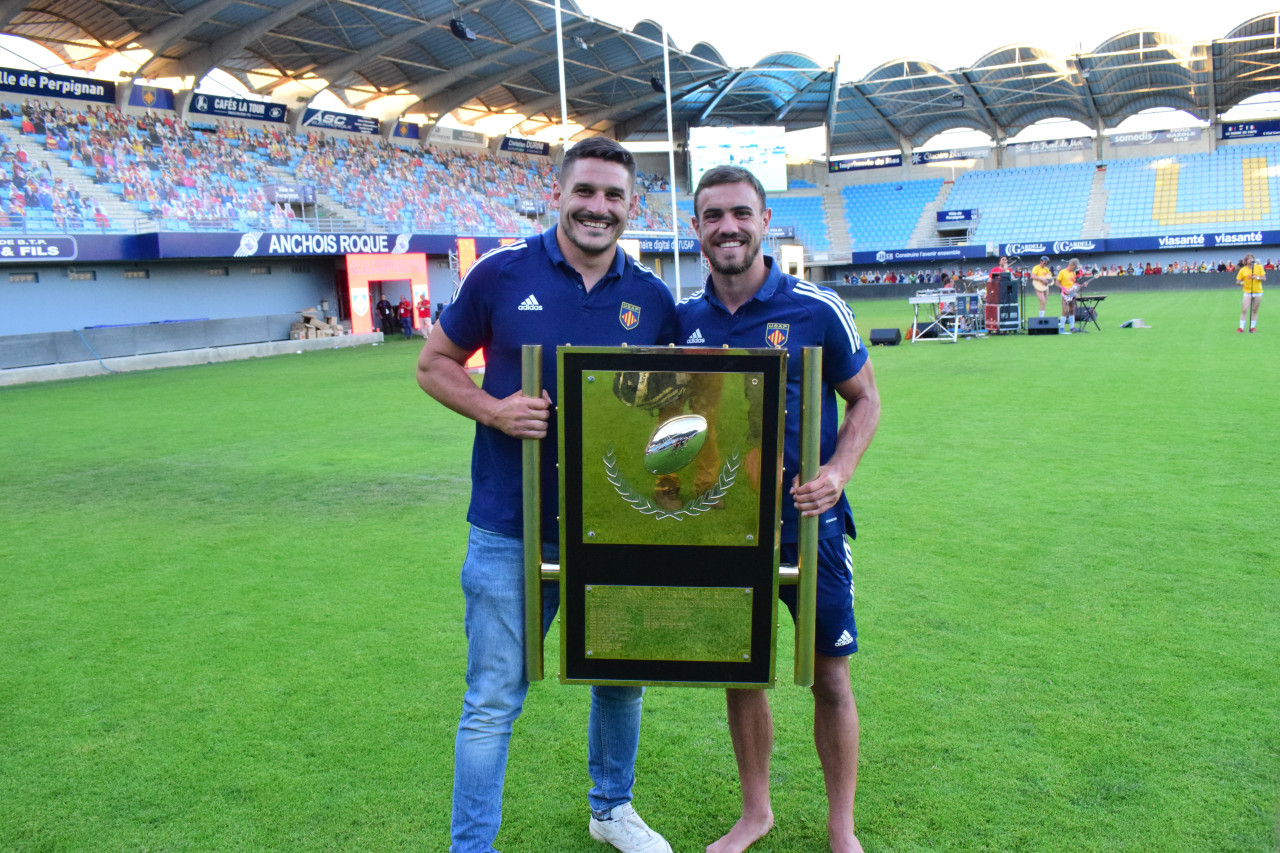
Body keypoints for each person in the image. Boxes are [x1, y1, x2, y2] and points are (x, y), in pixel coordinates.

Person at [416, 136, 677, 853]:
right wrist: (494, 410)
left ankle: (611, 809)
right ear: (556, 194)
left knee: (620, 683)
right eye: (584, 190)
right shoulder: (501, 273)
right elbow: (434, 364)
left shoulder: (652, 298)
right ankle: (472, 847)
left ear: (631, 206)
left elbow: (679, 403)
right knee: (493, 698)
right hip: (511, 526)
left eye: (613, 195)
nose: (598, 206)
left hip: (615, 528)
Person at [676, 166, 881, 853]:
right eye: (713, 215)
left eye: (741, 212)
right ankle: (755, 813)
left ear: (765, 221)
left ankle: (841, 827)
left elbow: (866, 398)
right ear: (696, 228)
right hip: (724, 527)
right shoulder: (684, 320)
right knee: (740, 671)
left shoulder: (816, 308)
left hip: (809, 526)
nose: (727, 226)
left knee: (830, 675)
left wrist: (837, 472)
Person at [1057, 257, 1088, 334]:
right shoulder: (1062, 272)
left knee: (1072, 310)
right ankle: (1061, 328)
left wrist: (1081, 285)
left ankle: (1072, 327)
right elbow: (1057, 283)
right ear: (1071, 265)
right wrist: (1064, 289)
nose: (1076, 268)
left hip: (1072, 293)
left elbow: (1073, 284)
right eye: (1075, 267)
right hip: (1065, 294)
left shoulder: (1073, 273)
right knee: (1064, 310)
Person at [1236, 252, 1264, 333]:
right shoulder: (1242, 270)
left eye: (1251, 258)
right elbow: (1238, 281)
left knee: (1254, 310)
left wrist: (1257, 277)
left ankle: (1252, 327)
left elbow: (1264, 278)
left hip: (1258, 291)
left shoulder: (1259, 267)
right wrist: (1242, 283)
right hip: (1248, 292)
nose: (1250, 259)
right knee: (1244, 309)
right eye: (1248, 258)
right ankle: (1241, 327)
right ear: (1246, 260)